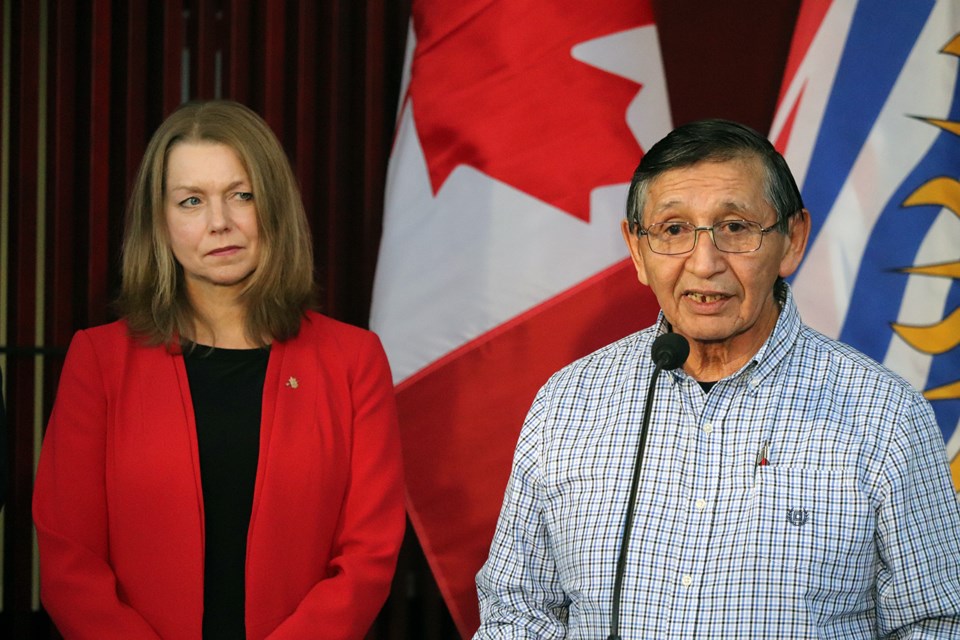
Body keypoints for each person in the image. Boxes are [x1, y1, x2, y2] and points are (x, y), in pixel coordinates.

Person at [474, 119, 960, 638]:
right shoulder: (568, 405)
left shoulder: (885, 416)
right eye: (674, 230)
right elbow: (517, 612)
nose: (704, 264)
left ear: (792, 241)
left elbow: (935, 623)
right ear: (638, 251)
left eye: (735, 227)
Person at [33, 100, 405, 640]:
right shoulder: (99, 361)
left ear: (273, 205)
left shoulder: (353, 360)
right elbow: (69, 563)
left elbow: (369, 556)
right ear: (159, 223)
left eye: (241, 195)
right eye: (191, 201)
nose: (219, 223)